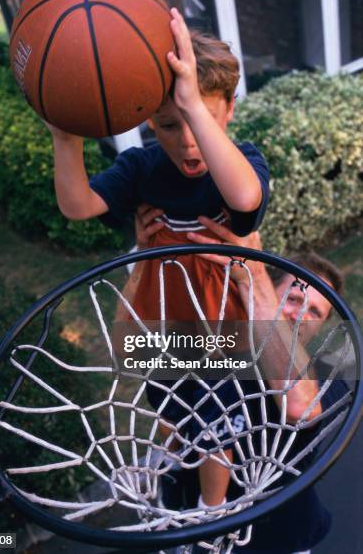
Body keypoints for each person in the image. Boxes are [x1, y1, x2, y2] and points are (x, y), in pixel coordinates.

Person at [45, 8, 270, 509]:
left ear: (228, 109)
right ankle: (172, 467)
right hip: (160, 324)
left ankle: (214, 513)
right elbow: (77, 206)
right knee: (168, 407)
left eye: (199, 121)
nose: (187, 140)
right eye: (170, 125)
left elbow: (246, 199)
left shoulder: (243, 163)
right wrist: (65, 136)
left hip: (221, 332)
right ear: (150, 120)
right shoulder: (142, 166)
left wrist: (190, 103)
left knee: (216, 430)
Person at [135, 207, 348, 553]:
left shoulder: (328, 377)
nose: (300, 314)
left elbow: (300, 407)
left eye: (315, 312)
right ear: (267, 296)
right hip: (199, 523)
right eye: (294, 298)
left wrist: (256, 276)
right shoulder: (211, 352)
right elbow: (167, 411)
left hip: (281, 537)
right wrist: (151, 258)